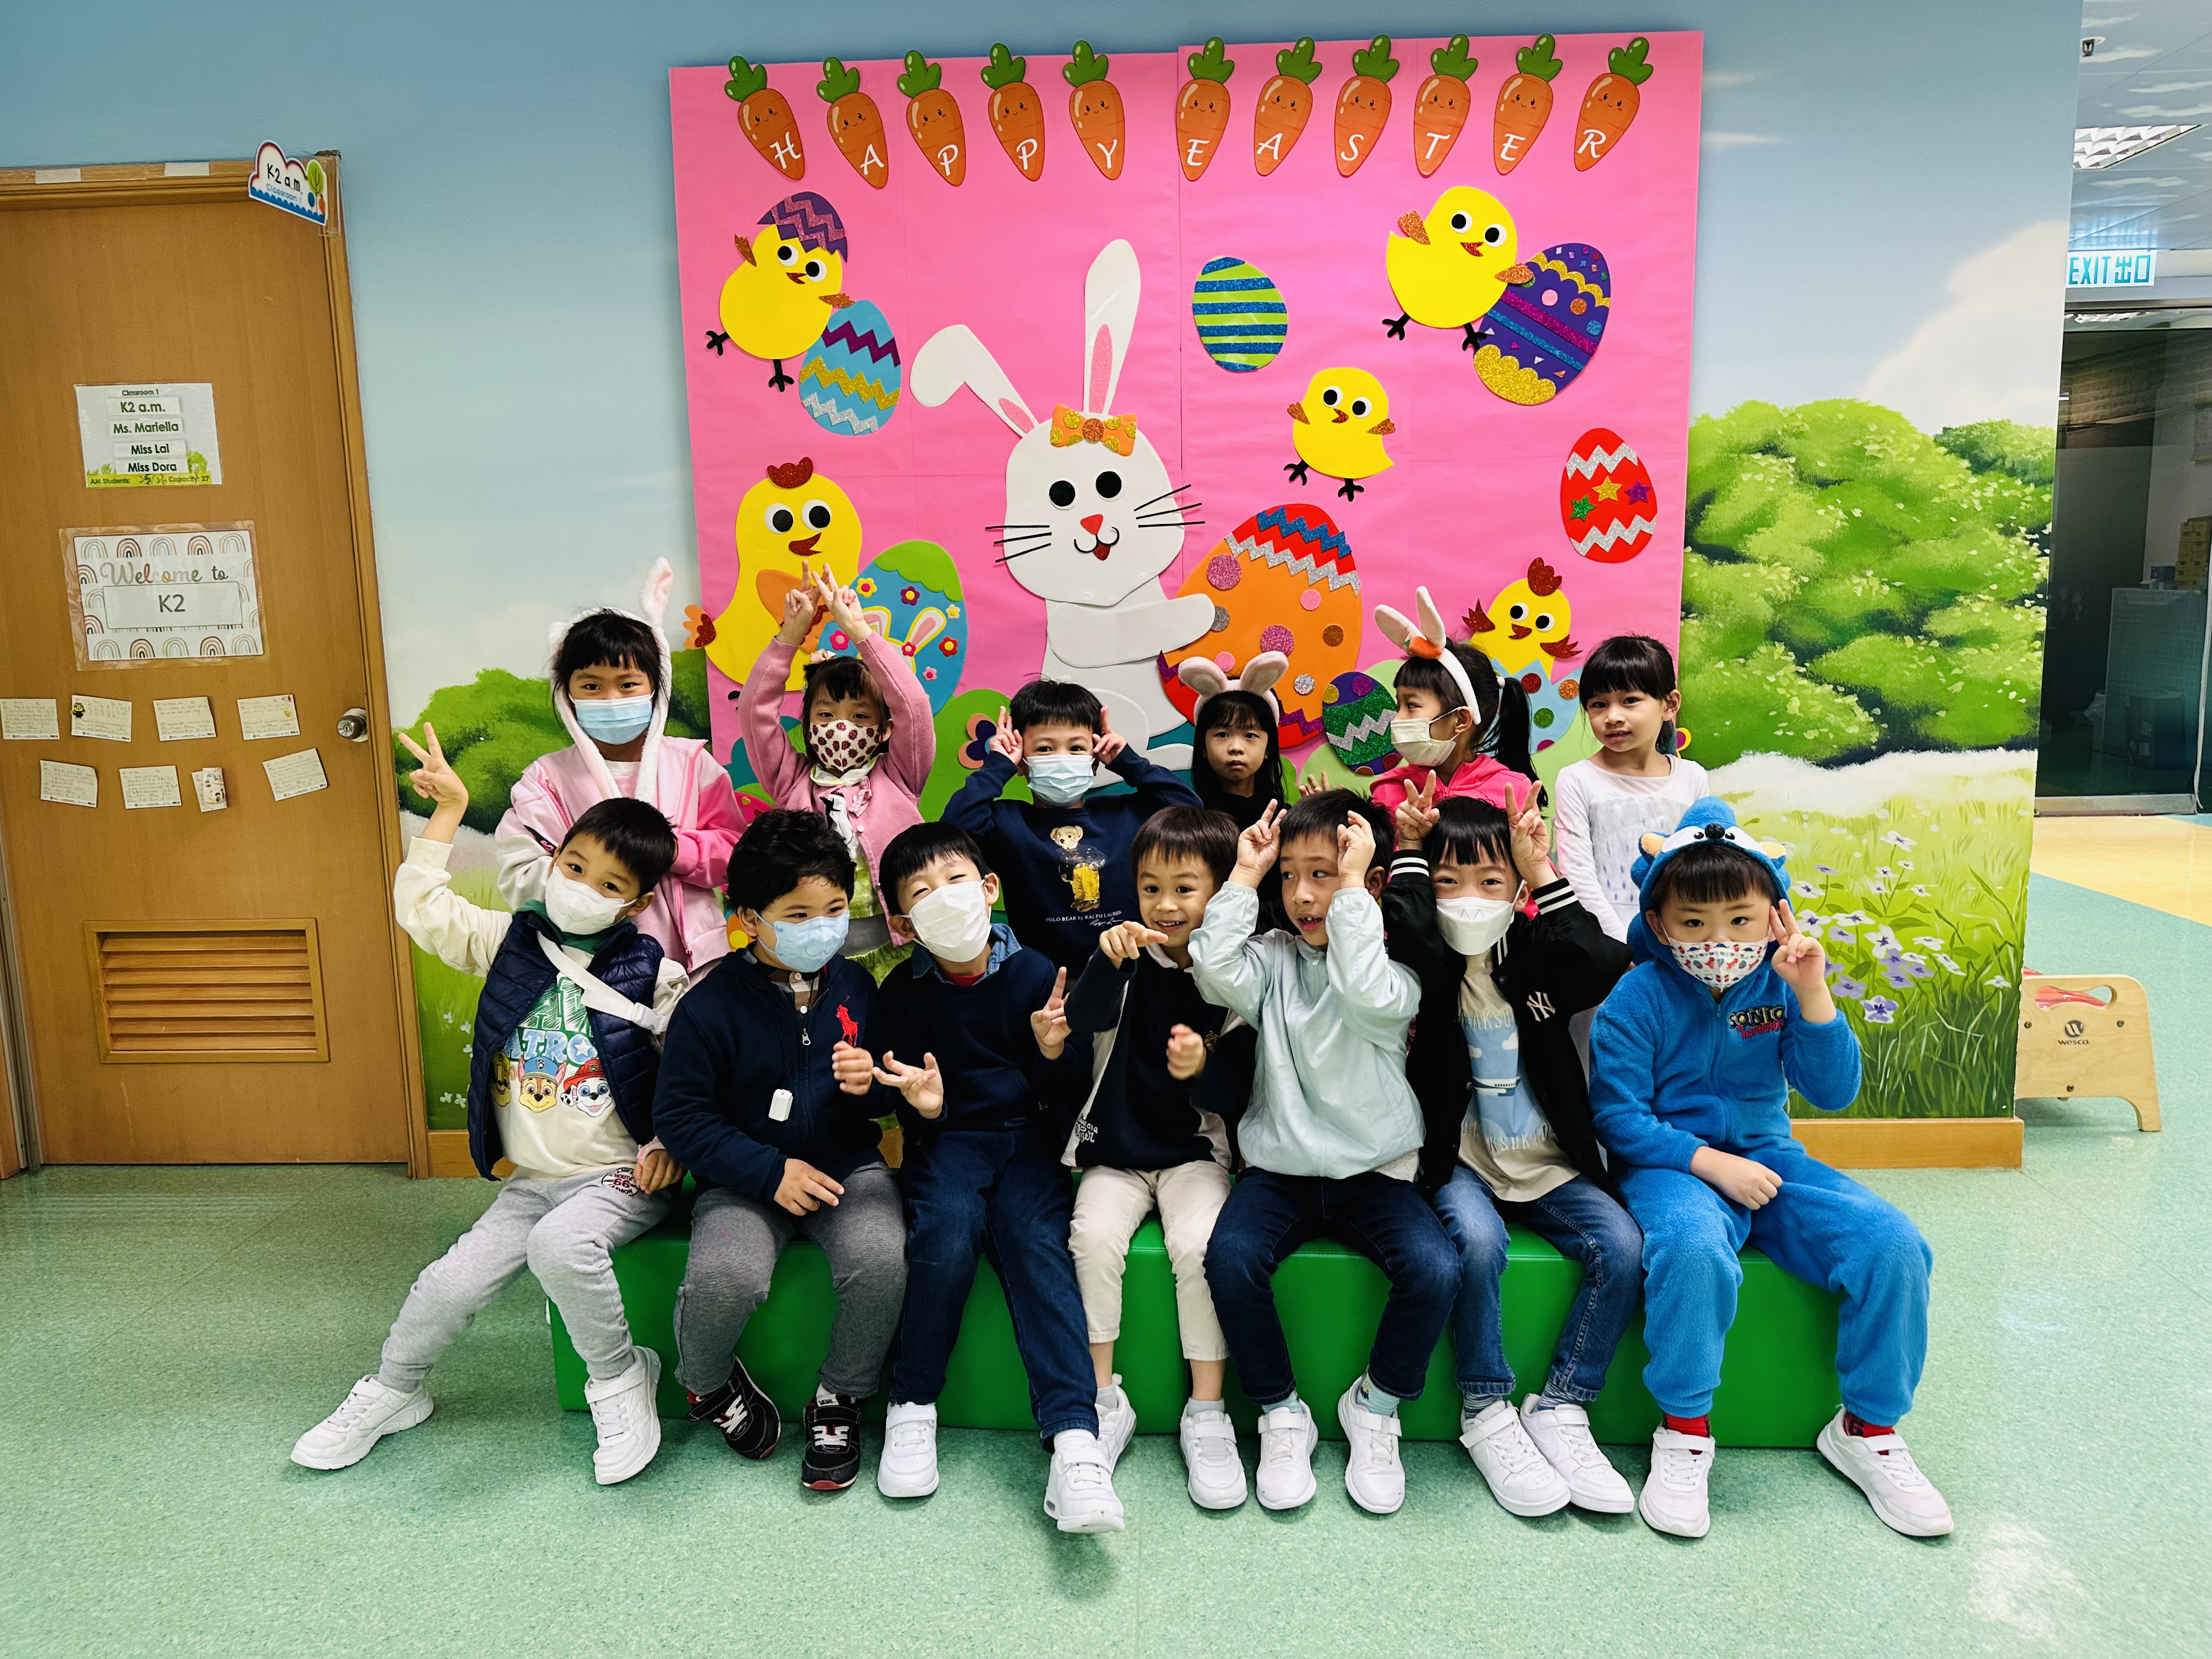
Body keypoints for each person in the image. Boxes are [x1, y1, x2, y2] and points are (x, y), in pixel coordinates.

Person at [293, 726, 686, 1485]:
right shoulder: (507, 942)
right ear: (554, 858)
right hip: (530, 1185)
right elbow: (422, 908)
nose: (583, 887)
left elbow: (694, 1080)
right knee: (449, 1284)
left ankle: (618, 1375)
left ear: (638, 902)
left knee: (561, 1248)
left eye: (610, 886)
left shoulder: (658, 976)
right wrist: (447, 813)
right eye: (575, 866)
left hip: (617, 1179)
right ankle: (395, 1389)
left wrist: (668, 1142)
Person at [1590, 799, 1951, 1541]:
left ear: (1774, 916)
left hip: (1774, 1160)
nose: (1719, 941)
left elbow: (1834, 1091)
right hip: (1673, 1166)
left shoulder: (1781, 985)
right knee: (1692, 1249)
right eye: (1694, 923)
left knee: (1893, 1244)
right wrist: (1709, 1163)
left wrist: (1812, 990)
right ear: (1658, 922)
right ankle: (1684, 1431)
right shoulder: (1638, 995)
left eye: (1740, 920)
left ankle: (1868, 1429)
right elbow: (1618, 1118)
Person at [1192, 789, 1459, 1517]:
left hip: (1375, 1174)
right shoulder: (1272, 961)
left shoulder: (1396, 971)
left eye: (1325, 874)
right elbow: (1211, 969)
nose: (1304, 896)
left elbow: (1364, 990)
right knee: (1230, 1261)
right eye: (1291, 876)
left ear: (1370, 884)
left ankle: (1374, 1408)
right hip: (1279, 1172)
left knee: (1435, 1269)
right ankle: (1282, 1412)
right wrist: (1244, 876)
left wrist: (1354, 896)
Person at [1383, 778, 1640, 1517]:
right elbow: (1401, 925)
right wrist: (1409, 848)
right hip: (1460, 1161)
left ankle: (1563, 1403)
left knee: (1621, 1245)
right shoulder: (1425, 966)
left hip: (1548, 1160)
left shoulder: (1534, 953)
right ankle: (1485, 1405)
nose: (1468, 897)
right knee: (1478, 1243)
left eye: (1489, 880)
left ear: (1516, 890)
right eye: (1449, 881)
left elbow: (1601, 962)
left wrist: (1541, 872)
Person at [861, 822, 1125, 1533]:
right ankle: (912, 1405)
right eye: (921, 892)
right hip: (950, 1143)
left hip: (1030, 1143)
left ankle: (1076, 1440)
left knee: (1038, 1249)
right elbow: (900, 1089)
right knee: (944, 1235)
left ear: (988, 889)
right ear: (902, 922)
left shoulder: (1036, 972)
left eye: (954, 881)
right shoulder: (903, 991)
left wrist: (1052, 1051)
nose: (943, 899)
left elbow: (1068, 1092)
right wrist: (923, 1105)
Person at [651, 810, 907, 1492]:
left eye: (834, 910)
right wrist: (768, 1172)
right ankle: (706, 1383)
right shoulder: (708, 1007)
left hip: (846, 1167)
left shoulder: (856, 987)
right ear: (749, 918)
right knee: (724, 1279)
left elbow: (882, 1096)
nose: (821, 928)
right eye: (798, 915)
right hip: (743, 1179)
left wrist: (870, 1089)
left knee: (883, 1260)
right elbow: (680, 1117)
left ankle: (840, 1396)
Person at [1046, 806, 1257, 1510]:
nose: (1165, 905)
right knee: (1091, 1237)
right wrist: (1107, 962)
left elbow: (1238, 1092)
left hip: (1195, 1153)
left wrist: (1201, 1068)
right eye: (1150, 888)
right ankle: (1102, 1398)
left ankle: (1207, 1410)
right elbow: (1085, 1021)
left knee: (1199, 1247)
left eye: (1185, 889)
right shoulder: (1124, 957)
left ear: (1221, 894)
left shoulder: (1235, 976)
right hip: (1114, 1151)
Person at [497, 560, 751, 975]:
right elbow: (518, 874)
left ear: (656, 685)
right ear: (566, 691)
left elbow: (736, 854)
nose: (612, 698)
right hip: (589, 970)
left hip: (696, 967)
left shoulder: (692, 765)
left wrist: (673, 851)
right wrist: (590, 881)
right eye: (591, 686)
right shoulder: (545, 782)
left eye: (628, 683)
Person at [738, 565, 935, 980]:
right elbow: (755, 713)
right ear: (808, 724)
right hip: (818, 962)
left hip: (901, 954)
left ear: (885, 729)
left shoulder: (901, 774)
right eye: (826, 714)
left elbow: (913, 707)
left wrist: (860, 632)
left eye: (860, 716)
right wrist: (790, 636)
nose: (841, 727)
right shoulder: (791, 782)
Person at [944, 679, 1200, 971]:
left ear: (1095, 760)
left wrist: (1129, 762)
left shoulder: (1125, 814)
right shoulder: (1006, 823)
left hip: (1134, 976)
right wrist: (997, 766)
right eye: (1044, 749)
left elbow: (1191, 813)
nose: (1062, 759)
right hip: (1046, 981)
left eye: (1076, 748)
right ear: (1022, 762)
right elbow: (952, 835)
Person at [1551, 634, 1711, 941]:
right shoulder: (1577, 779)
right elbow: (1578, 877)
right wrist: (1624, 948)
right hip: (1603, 945)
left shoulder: (1692, 777)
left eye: (1630, 701)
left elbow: (1700, 868)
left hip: (1676, 944)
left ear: (1670, 705)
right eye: (1599, 705)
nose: (1612, 717)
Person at [1367, 587, 1537, 818]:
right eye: (1399, 706)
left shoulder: (1513, 793)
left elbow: (1533, 844)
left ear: (1460, 719)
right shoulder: (1388, 792)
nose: (1397, 719)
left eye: (1411, 706)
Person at [1181, 657, 1291, 933]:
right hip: (1214, 934)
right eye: (1222, 734)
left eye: (1250, 735)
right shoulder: (1193, 820)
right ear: (1203, 747)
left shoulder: (1284, 818)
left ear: (1268, 749)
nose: (1236, 747)